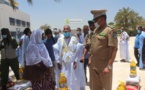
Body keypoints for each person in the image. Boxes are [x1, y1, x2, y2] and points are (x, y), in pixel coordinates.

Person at [89, 9, 118, 90]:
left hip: (104, 66)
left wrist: (109, 66)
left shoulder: (110, 30)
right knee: (95, 87)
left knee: (106, 87)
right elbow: (93, 46)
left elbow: (114, 49)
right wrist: (90, 59)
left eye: (96, 20)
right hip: (94, 65)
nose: (94, 22)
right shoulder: (96, 31)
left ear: (103, 19)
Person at [53, 25, 85, 90]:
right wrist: (58, 61)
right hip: (63, 65)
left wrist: (76, 61)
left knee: (73, 81)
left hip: (72, 65)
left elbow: (78, 50)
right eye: (64, 29)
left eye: (67, 29)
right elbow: (56, 50)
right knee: (63, 80)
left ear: (70, 30)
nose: (66, 30)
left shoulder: (74, 39)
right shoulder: (60, 40)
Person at [80, 20, 95, 88]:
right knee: (86, 70)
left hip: (96, 59)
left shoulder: (98, 34)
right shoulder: (88, 36)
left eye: (92, 25)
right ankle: (86, 80)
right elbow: (86, 47)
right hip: (87, 57)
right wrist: (83, 55)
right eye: (90, 25)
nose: (91, 27)